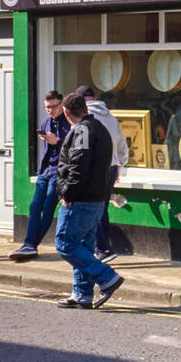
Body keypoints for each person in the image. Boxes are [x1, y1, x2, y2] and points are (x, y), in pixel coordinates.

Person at [54, 91, 123, 309]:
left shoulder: (82, 131)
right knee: (82, 245)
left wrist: (67, 194)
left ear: (66, 112)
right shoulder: (99, 128)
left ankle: (107, 277)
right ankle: (82, 294)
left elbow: (78, 167)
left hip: (80, 200)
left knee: (65, 244)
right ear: (85, 108)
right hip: (96, 199)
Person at [9, 90, 71, 261]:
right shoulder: (45, 123)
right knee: (34, 207)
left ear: (61, 104)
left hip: (60, 171)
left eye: (53, 107)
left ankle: (31, 244)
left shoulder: (69, 123)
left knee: (48, 207)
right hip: (44, 171)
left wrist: (57, 142)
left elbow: (73, 150)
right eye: (47, 108)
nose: (50, 110)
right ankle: (29, 244)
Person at [74, 85, 127, 262]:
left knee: (91, 209)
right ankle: (103, 248)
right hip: (112, 168)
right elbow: (122, 146)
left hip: (96, 169)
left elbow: (82, 149)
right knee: (101, 209)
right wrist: (120, 163)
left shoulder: (86, 119)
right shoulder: (111, 117)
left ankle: (103, 248)